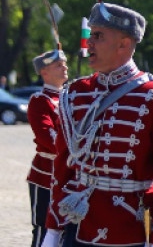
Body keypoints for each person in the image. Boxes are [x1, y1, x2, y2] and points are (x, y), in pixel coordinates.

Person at [43, 2, 153, 247]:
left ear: (124, 43)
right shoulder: (76, 93)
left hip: (128, 229)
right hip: (77, 223)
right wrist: (52, 229)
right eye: (90, 34)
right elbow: (62, 169)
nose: (89, 42)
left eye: (98, 36)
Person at [27, 49, 68, 247]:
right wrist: (73, 150)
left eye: (65, 63)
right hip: (45, 176)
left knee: (68, 230)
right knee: (43, 229)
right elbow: (47, 136)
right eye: (59, 65)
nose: (65, 68)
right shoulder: (39, 101)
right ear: (44, 72)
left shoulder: (70, 99)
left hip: (70, 176)